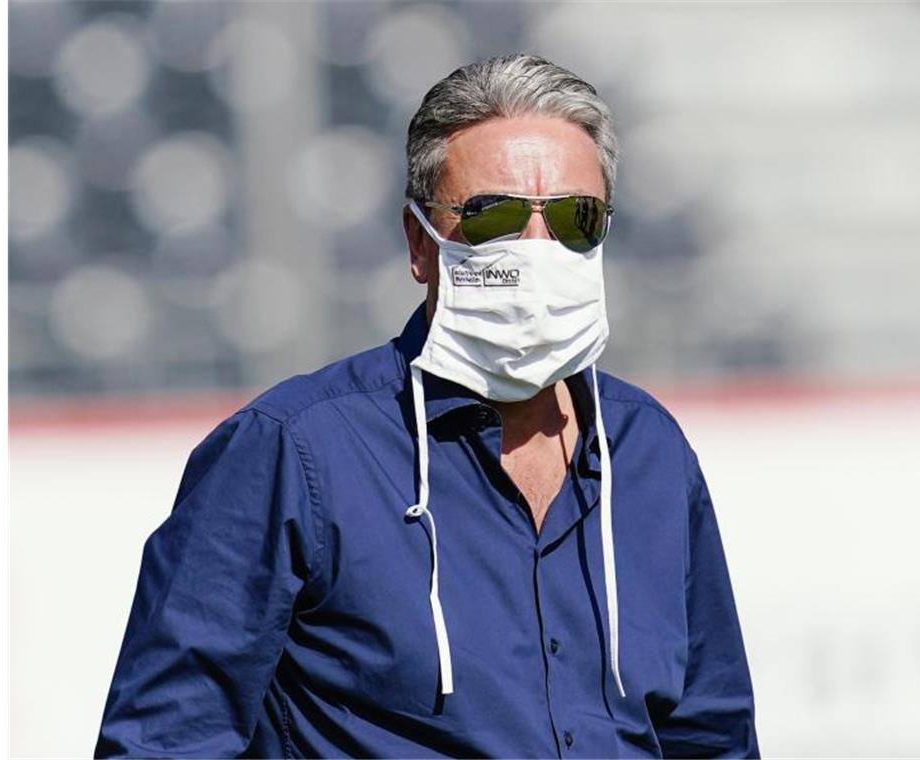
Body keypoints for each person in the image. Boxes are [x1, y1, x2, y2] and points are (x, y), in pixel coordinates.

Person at [95, 53, 759, 759]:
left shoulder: (649, 449)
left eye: (575, 216)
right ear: (420, 243)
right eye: (493, 215)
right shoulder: (294, 451)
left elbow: (710, 735)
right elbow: (164, 741)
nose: (538, 248)